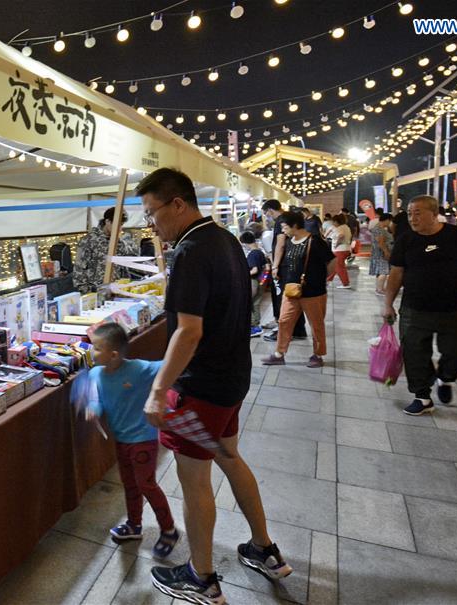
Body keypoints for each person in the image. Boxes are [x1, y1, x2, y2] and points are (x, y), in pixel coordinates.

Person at [137, 168, 292, 604]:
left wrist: (156, 390)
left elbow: (188, 332)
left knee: (194, 480)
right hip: (231, 379)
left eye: (152, 213)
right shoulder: (223, 238)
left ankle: (201, 576)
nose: (151, 224)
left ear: (178, 204)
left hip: (198, 389)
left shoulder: (189, 251)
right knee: (230, 457)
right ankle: (265, 549)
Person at [382, 195, 457, 416]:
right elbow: (396, 274)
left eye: (417, 213)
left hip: (452, 308)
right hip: (414, 308)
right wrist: (387, 304)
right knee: (414, 353)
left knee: (455, 352)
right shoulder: (406, 240)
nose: (412, 218)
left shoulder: (456, 235)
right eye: (409, 213)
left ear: (434, 212)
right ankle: (422, 396)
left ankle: (446, 378)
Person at [86, 323, 180, 558]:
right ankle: (134, 525)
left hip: (143, 439)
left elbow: (168, 365)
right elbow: (96, 399)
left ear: (114, 354)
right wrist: (93, 409)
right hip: (121, 440)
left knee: (146, 484)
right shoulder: (95, 374)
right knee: (129, 483)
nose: (91, 351)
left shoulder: (139, 369)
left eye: (97, 348)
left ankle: (169, 529)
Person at [262, 211, 335, 368]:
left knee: (316, 324)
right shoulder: (290, 241)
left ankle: (318, 354)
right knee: (284, 321)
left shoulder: (314, 241)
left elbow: (332, 261)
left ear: (295, 225)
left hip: (314, 291)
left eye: (285, 227)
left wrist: (324, 279)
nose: (283, 231)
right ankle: (279, 354)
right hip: (291, 290)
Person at [262, 200, 308, 339]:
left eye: (266, 213)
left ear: (270, 210)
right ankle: (297, 329)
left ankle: (287, 329)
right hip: (290, 264)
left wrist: (275, 265)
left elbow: (280, 244)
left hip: (284, 266)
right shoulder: (287, 218)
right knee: (291, 297)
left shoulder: (281, 220)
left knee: (285, 298)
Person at [73, 207, 139, 293]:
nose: (120, 229)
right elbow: (79, 268)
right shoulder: (88, 241)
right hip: (95, 292)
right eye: (118, 224)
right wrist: (87, 290)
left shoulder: (118, 242)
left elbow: (132, 260)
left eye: (121, 225)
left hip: (116, 291)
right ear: (107, 221)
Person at [240, 231, 268, 337]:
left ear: (245, 243)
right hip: (260, 282)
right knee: (256, 303)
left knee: (250, 303)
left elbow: (254, 270)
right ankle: (256, 326)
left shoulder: (252, 254)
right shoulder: (260, 251)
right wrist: (263, 280)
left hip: (253, 282)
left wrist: (244, 274)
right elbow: (267, 267)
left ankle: (253, 327)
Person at [369, 213, 394, 296]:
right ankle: (379, 290)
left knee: (380, 272)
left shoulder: (379, 228)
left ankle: (380, 288)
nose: (390, 223)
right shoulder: (378, 229)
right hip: (380, 253)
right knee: (383, 271)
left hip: (378, 252)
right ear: (386, 220)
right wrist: (386, 252)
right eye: (390, 221)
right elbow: (381, 242)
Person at [327, 214, 352, 289]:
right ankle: (328, 280)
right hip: (345, 249)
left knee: (339, 267)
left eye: (333, 222)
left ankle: (346, 284)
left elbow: (341, 236)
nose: (333, 224)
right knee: (336, 266)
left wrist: (336, 244)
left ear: (336, 221)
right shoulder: (346, 227)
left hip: (339, 250)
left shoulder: (340, 228)